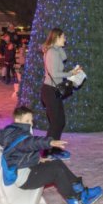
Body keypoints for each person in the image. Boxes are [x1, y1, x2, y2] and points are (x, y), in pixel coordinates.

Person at [0, 106, 102, 204]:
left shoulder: (14, 131)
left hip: (29, 169)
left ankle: (81, 192)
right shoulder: (17, 134)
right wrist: (49, 142)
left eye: (31, 121)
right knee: (56, 171)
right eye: (27, 121)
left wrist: (38, 159)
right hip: (24, 177)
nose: (30, 124)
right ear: (17, 120)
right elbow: (29, 143)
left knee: (56, 162)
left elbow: (20, 152)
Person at [41, 28, 82, 160]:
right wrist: (71, 73)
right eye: (63, 37)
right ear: (57, 37)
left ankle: (54, 149)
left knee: (59, 121)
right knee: (56, 122)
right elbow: (54, 74)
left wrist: (59, 47)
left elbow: (64, 57)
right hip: (50, 90)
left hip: (53, 90)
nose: (65, 39)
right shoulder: (52, 53)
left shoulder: (55, 51)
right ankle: (48, 151)